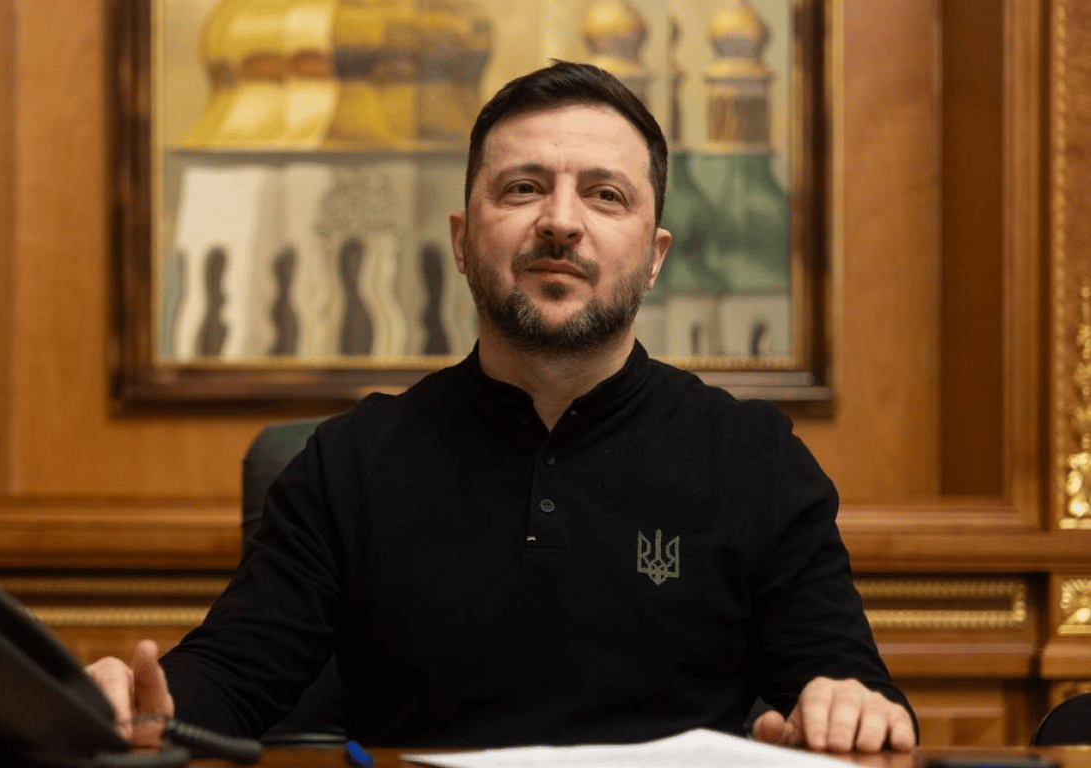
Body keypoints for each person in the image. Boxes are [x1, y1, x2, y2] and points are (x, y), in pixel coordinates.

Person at [88, 60, 917, 754]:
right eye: (523, 188)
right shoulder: (351, 463)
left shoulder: (756, 459)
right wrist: (136, 703)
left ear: (654, 256)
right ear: (461, 240)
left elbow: (854, 691)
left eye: (605, 195)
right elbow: (229, 678)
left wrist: (850, 710)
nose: (561, 222)